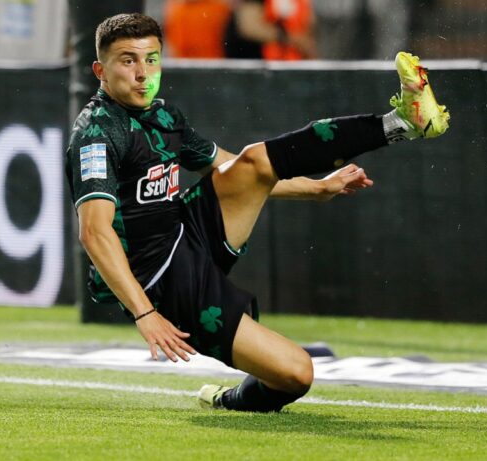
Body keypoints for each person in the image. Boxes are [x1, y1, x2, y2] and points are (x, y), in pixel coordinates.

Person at [65, 13, 449, 412]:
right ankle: (227, 398)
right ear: (100, 71)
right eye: (128, 60)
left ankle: (400, 123)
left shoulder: (163, 116)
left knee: (253, 161)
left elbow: (235, 169)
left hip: (187, 232)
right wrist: (145, 313)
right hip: (160, 282)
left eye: (151, 59)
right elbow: (94, 232)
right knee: (296, 373)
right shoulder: (97, 134)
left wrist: (316, 189)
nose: (143, 73)